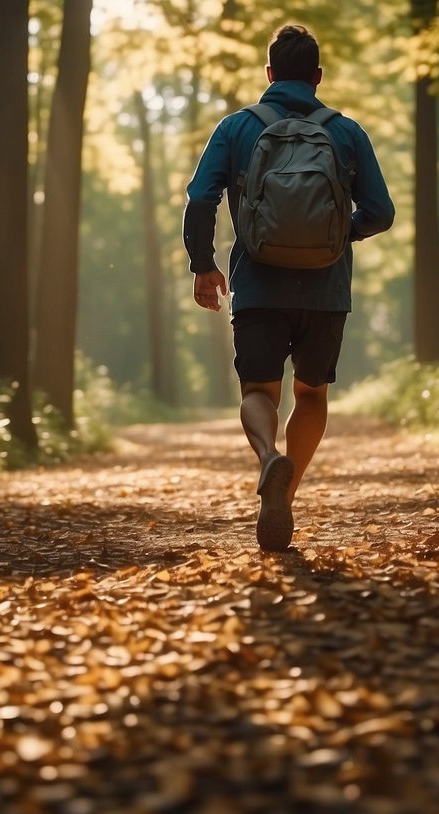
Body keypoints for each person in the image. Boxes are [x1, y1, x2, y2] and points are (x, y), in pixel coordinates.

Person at [183, 24, 395, 551]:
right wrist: (337, 233)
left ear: (269, 74)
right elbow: (381, 213)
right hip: (325, 289)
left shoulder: (237, 127)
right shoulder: (346, 132)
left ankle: (267, 459)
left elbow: (201, 198)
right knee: (312, 393)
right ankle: (286, 494)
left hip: (257, 282)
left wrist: (203, 264)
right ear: (318, 77)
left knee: (259, 391)